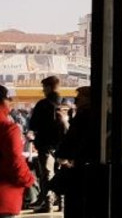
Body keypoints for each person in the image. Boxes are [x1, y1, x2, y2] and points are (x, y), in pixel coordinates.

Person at [56, 87, 104, 218]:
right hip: (90, 165)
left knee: (76, 201)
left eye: (79, 97)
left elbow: (72, 139)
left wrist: (62, 155)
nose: (76, 101)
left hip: (80, 165)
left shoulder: (83, 116)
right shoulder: (99, 115)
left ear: (88, 99)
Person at [28, 76, 65, 213]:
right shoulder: (64, 103)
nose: (43, 90)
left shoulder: (42, 104)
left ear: (49, 87)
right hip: (61, 145)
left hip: (45, 144)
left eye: (44, 87)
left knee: (47, 174)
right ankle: (61, 203)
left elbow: (33, 125)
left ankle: (48, 203)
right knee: (60, 172)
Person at [0, 85, 35, 218]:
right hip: (4, 198)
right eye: (9, 99)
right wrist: (28, 179)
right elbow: (15, 161)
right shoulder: (8, 129)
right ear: (3, 101)